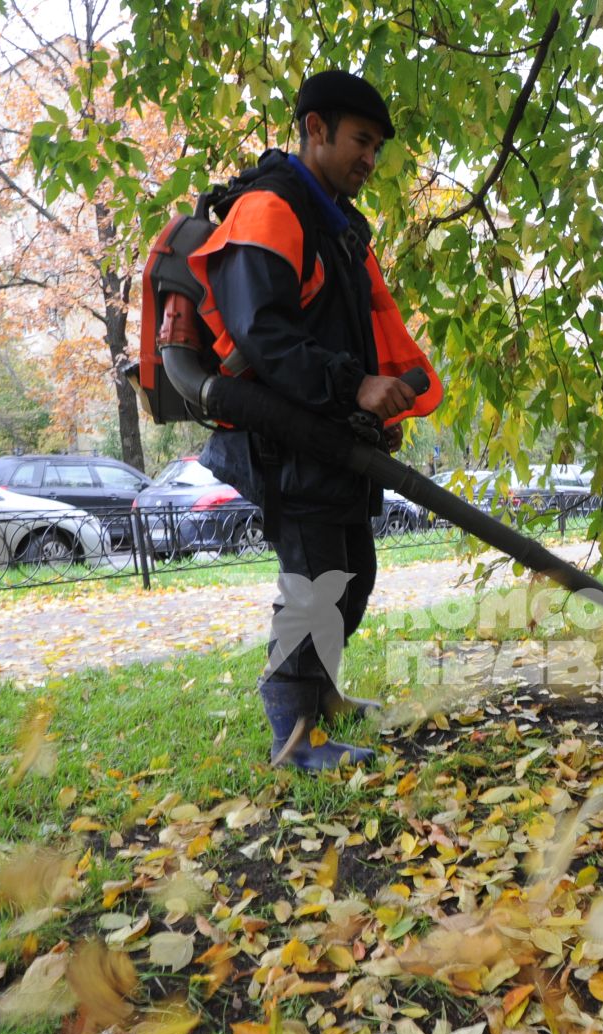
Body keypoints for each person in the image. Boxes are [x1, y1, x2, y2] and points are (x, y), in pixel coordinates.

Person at [188, 70, 441, 770]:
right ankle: (293, 738)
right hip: (281, 437)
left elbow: (338, 334)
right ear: (317, 129)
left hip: (327, 436)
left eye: (378, 147)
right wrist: (354, 385)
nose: (370, 158)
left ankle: (322, 695)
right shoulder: (273, 206)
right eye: (361, 141)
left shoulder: (332, 221)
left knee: (352, 572)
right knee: (316, 581)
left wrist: (372, 405)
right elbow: (262, 334)